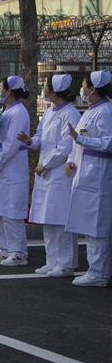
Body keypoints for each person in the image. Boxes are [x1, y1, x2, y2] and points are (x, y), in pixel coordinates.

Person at [17, 74, 81, 277]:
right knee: (47, 218)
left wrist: (45, 164)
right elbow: (41, 137)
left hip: (60, 173)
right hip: (45, 172)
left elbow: (65, 147)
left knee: (60, 218)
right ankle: (52, 260)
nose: (43, 89)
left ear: (54, 90)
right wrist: (30, 141)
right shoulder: (50, 112)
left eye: (45, 86)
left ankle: (66, 263)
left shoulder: (70, 114)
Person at [64, 70, 111, 287]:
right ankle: (95, 269)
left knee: (98, 224)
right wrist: (74, 158)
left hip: (99, 174)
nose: (81, 89)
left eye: (84, 85)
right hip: (87, 174)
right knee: (90, 224)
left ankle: (99, 273)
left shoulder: (106, 112)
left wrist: (80, 139)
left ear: (93, 89)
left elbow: (108, 143)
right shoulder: (91, 111)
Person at [0, 76, 31, 266]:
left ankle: (18, 252)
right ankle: (4, 248)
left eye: (1, 89)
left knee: (12, 211)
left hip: (12, 166)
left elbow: (11, 145)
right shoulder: (7, 111)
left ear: (9, 91)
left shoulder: (19, 113)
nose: (0, 92)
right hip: (1, 166)